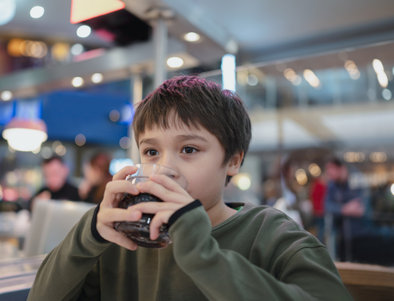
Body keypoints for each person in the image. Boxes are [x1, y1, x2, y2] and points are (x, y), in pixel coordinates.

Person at [28, 76, 351, 300]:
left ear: (233, 161)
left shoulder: (271, 234)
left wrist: (197, 246)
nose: (165, 170)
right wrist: (90, 233)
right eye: (151, 152)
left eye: (189, 150)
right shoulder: (122, 239)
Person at [324, 157, 366, 261]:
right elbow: (327, 205)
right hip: (342, 236)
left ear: (341, 168)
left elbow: (361, 209)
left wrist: (340, 209)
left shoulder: (356, 181)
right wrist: (344, 209)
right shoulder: (332, 186)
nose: (328, 173)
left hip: (359, 234)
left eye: (331, 169)